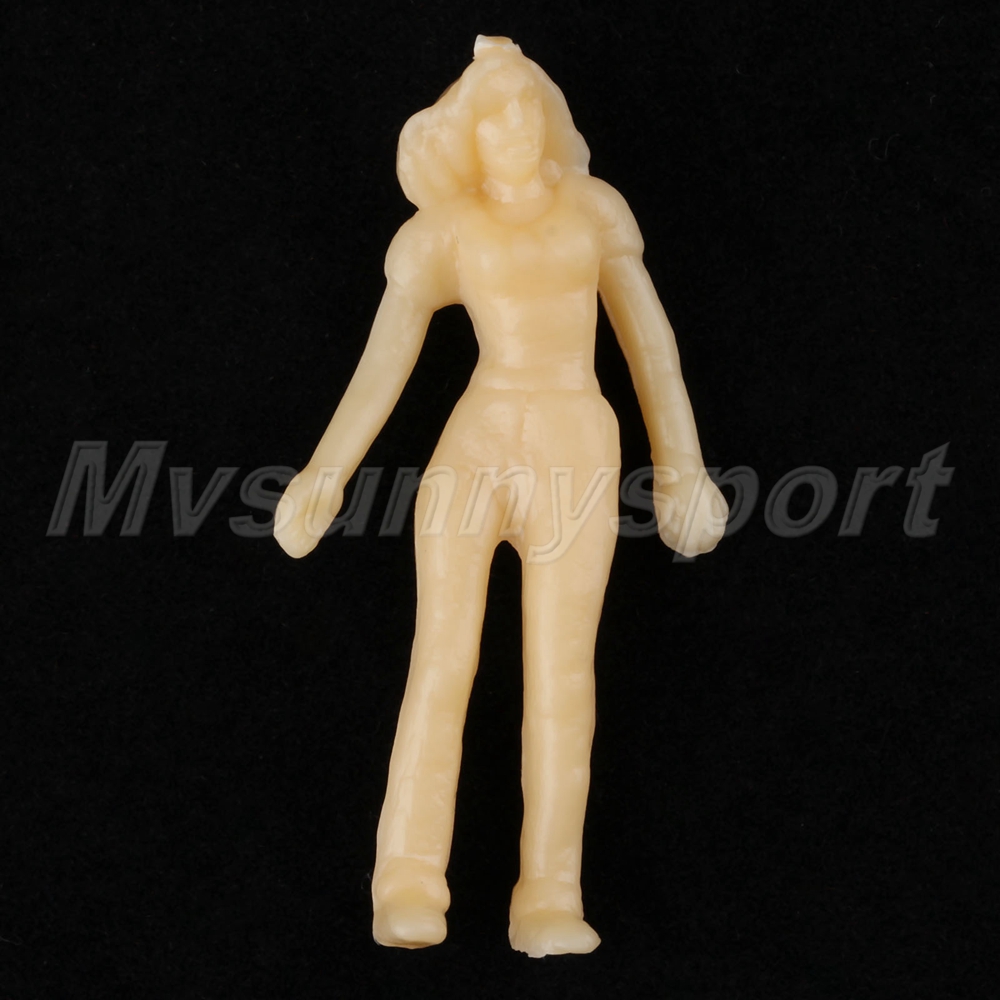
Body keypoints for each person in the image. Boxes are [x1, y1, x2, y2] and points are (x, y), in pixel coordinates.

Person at [274, 36, 727, 957]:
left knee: (562, 677)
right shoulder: (443, 234)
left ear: (548, 116)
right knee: (442, 657)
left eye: (526, 106)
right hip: (476, 445)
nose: (516, 126)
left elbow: (651, 346)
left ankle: (550, 893)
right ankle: (407, 877)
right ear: (465, 140)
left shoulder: (594, 212)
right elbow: (383, 366)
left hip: (576, 445)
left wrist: (682, 465)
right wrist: (324, 475)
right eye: (493, 116)